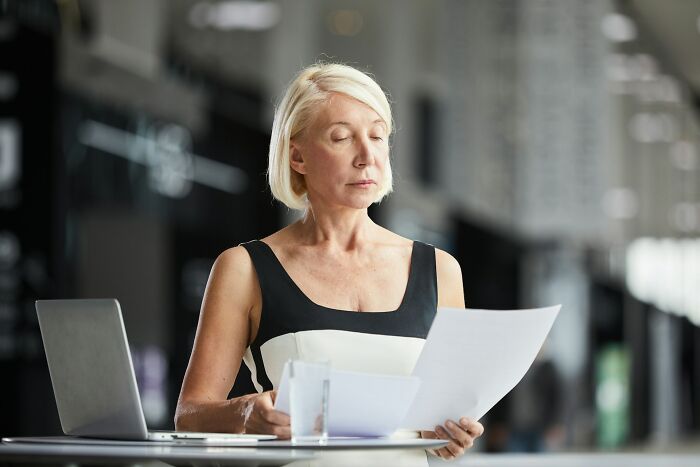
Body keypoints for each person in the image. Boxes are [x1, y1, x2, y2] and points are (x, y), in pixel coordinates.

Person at [174, 63, 484, 463]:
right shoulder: (244, 268)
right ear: (298, 156)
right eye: (341, 137)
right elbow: (190, 415)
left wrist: (450, 433)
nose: (366, 155)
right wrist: (246, 412)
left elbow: (444, 424)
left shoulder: (440, 271)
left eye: (377, 135)